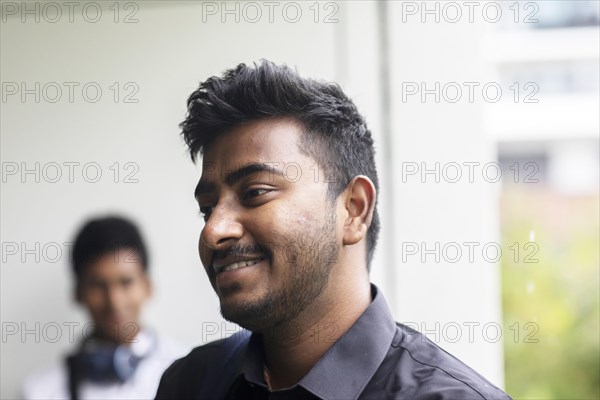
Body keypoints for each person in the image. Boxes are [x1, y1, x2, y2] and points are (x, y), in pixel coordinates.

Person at [155, 60, 512, 399]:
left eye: (254, 193)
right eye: (207, 209)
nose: (213, 231)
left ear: (354, 209)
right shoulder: (190, 384)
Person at [23, 216, 187, 400]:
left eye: (126, 282)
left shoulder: (189, 373)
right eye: (98, 285)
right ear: (78, 293)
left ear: (147, 287)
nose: (114, 301)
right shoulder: (39, 391)